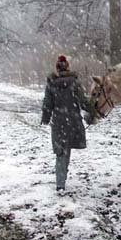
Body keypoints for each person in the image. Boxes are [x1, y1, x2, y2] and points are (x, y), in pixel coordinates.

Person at [41, 55, 93, 192]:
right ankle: (62, 179)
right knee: (67, 149)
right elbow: (83, 102)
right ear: (68, 67)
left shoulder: (51, 83)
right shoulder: (75, 83)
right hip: (73, 121)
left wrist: (45, 118)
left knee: (61, 152)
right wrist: (93, 111)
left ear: (57, 68)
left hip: (58, 122)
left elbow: (47, 104)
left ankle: (60, 183)